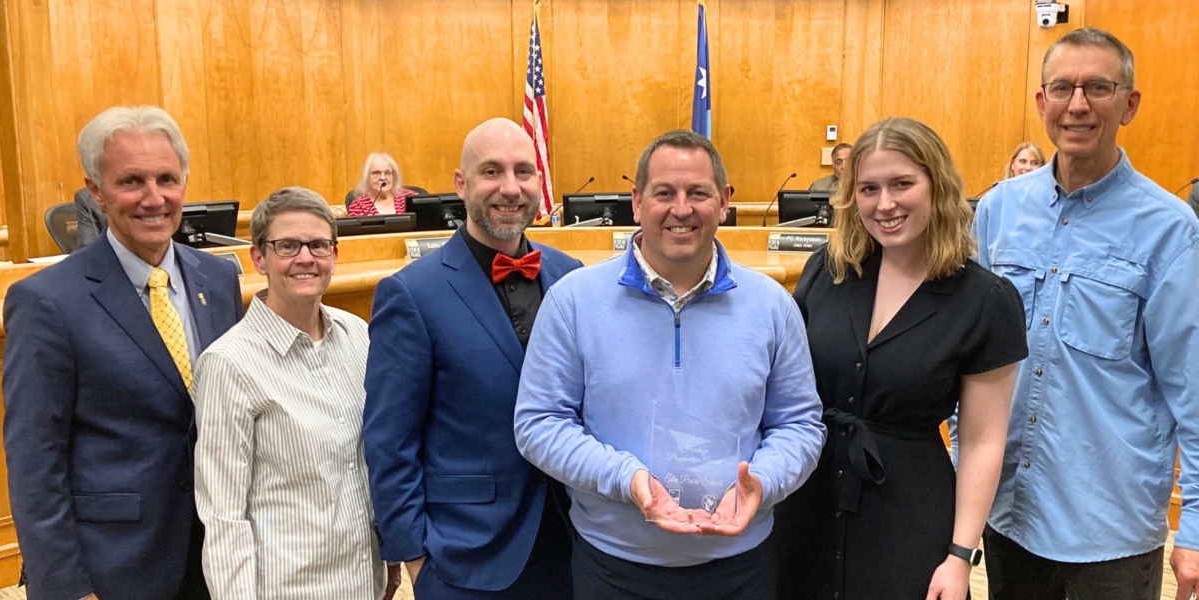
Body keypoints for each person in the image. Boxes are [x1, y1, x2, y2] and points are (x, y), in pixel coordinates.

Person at [514, 130, 826, 599]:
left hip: (740, 567)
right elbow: (538, 424)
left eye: (698, 193)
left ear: (724, 202)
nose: (682, 209)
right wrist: (627, 479)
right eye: (665, 193)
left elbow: (800, 424)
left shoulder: (772, 307)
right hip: (614, 567)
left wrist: (760, 481)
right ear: (637, 203)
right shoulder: (572, 302)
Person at [974, 28, 1199, 600]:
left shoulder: (1170, 229)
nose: (1078, 104)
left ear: (1129, 104)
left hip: (1110, 530)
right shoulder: (998, 210)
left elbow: (1192, 389)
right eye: (1062, 88)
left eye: (1099, 87)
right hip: (1008, 513)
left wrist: (1195, 525)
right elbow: (974, 366)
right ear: (1041, 103)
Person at [776, 117, 1027, 600]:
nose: (884, 203)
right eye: (869, 188)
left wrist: (959, 556)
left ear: (938, 186)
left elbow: (981, 442)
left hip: (908, 513)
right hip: (806, 501)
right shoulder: (826, 272)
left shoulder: (985, 299)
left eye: (902, 184)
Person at [2, 106, 243, 600]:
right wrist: (66, 588)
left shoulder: (219, 281)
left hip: (219, 558)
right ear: (95, 190)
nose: (154, 198)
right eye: (132, 181)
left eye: (166, 179)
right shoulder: (47, 302)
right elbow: (34, 461)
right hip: (113, 567)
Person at [363, 118, 583, 599]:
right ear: (461, 185)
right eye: (492, 171)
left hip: (572, 541)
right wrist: (416, 559)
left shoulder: (572, 277)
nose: (510, 187)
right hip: (466, 557)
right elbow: (389, 439)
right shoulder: (411, 293)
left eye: (524, 171)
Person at [193, 187, 399, 599]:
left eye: (319, 244)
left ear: (335, 256)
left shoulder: (357, 334)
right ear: (258, 258)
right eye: (287, 245)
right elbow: (223, 515)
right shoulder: (229, 363)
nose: (306, 258)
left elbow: (369, 459)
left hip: (363, 581)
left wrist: (389, 558)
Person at [347, 152, 417, 216]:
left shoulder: (411, 198)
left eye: (387, 173)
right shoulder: (358, 207)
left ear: (394, 176)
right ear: (367, 177)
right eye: (376, 173)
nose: (383, 178)